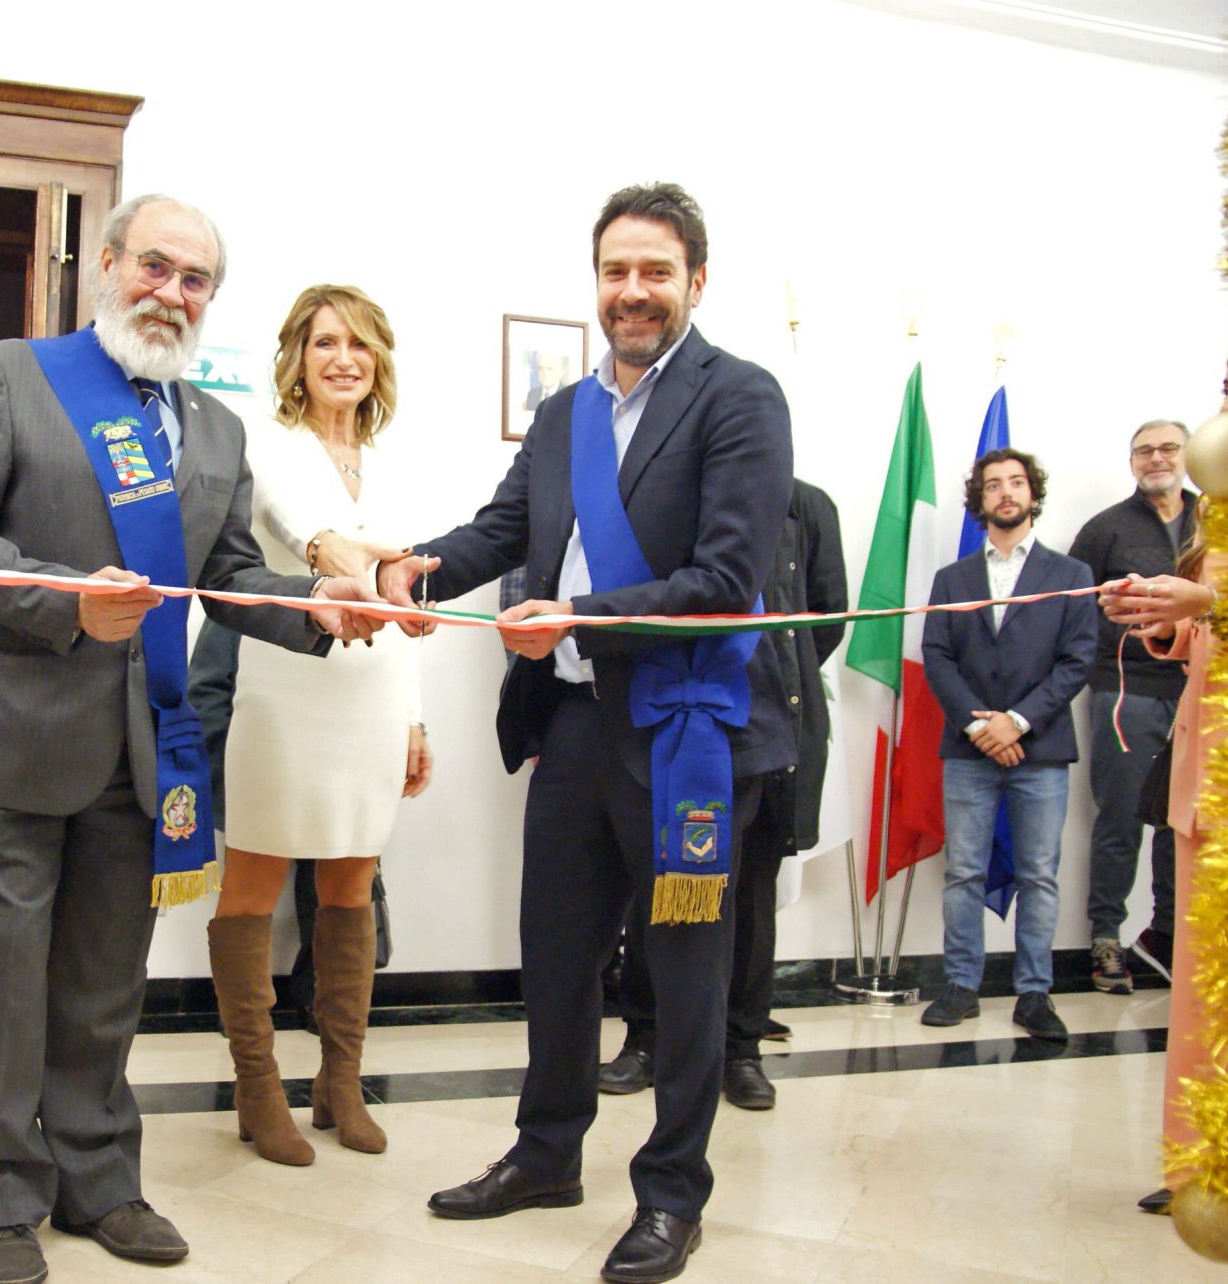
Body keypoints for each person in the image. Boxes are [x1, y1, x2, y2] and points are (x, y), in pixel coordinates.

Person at [0, 193, 383, 1284]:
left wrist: (316, 604)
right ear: (108, 265)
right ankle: (1, 1199)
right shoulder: (7, 375)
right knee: (11, 981)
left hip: (144, 749)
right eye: (154, 267)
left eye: (195, 279)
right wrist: (69, 600)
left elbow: (227, 575)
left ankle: (99, 1181)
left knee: (105, 981)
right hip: (12, 738)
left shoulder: (213, 428)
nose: (171, 293)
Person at [380, 182, 795, 1284]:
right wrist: (417, 567)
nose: (634, 290)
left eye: (657, 271)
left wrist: (578, 617)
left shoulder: (740, 397)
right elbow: (504, 528)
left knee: (686, 976)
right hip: (569, 726)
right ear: (596, 282)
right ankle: (546, 1154)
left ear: (696, 281)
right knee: (558, 956)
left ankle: (671, 1195)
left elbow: (726, 579)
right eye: (617, 271)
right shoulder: (565, 412)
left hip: (683, 732)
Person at [208, 284, 432, 1167]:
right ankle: (258, 1088)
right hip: (286, 687)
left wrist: (414, 719)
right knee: (252, 888)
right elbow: (287, 521)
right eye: (326, 342)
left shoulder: (394, 461)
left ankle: (342, 1082)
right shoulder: (263, 441)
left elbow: (405, 598)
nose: (344, 359)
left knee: (351, 886)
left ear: (378, 361)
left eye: (360, 344)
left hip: (374, 694)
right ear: (297, 357)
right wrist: (327, 548)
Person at [1105, 335, 1228, 1241]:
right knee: (1206, 994)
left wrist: (1208, 606)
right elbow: (1218, 634)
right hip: (1205, 776)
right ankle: (1208, 1170)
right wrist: (1163, 616)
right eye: (1225, 384)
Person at [599, 478, 846, 1111]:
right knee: (661, 884)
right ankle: (646, 1040)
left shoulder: (807, 506)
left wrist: (760, 676)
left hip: (765, 721)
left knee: (753, 895)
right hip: (670, 719)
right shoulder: (667, 491)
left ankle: (741, 1050)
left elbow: (826, 615)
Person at [918, 448, 1096, 1041]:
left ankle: (1034, 993)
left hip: (1040, 750)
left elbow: (1077, 661)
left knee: (1038, 873)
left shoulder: (1071, 575)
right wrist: (980, 727)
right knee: (963, 871)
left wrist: (1016, 722)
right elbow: (937, 656)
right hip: (968, 749)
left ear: (1032, 494)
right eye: (993, 484)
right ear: (981, 500)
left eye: (1016, 482)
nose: (1006, 492)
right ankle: (961, 986)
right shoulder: (952, 579)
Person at [1068, 419, 1196, 993]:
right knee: (1120, 820)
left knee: (1181, 827)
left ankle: (1170, 939)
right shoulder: (1106, 529)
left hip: (1198, 694)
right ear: (1132, 462)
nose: (1156, 459)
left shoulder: (1217, 523)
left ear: (1187, 455)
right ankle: (1106, 940)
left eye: (1167, 448)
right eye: (1144, 451)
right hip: (1127, 693)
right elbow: (1073, 609)